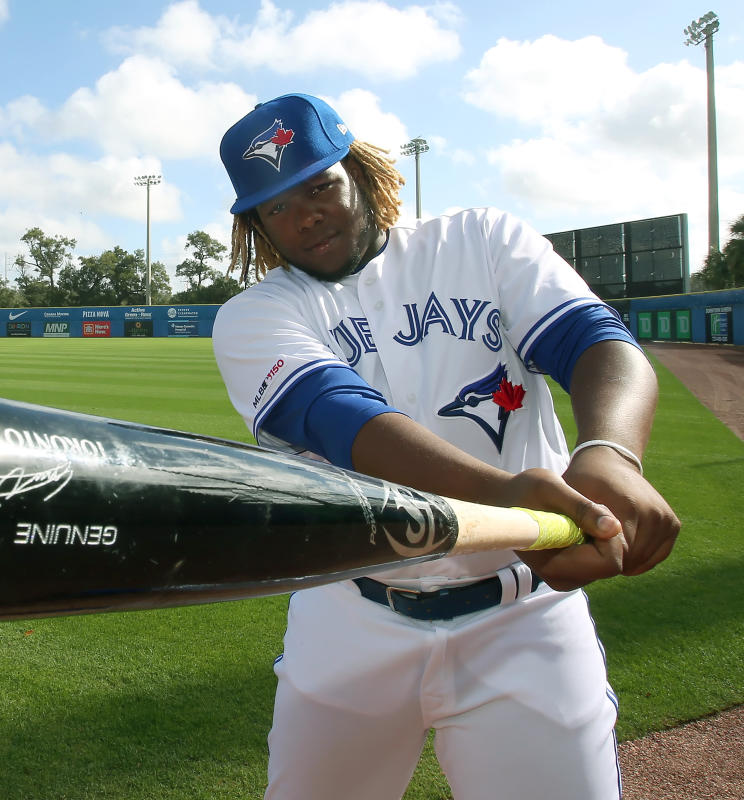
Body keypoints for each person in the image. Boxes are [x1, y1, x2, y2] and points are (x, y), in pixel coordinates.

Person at [211, 93, 681, 799]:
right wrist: (503, 497)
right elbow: (346, 422)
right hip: (349, 621)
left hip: (525, 619)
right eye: (276, 206)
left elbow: (596, 343)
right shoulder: (255, 315)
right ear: (257, 225)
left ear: (361, 175)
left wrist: (612, 452)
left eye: (319, 186)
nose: (304, 213)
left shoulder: (481, 243)